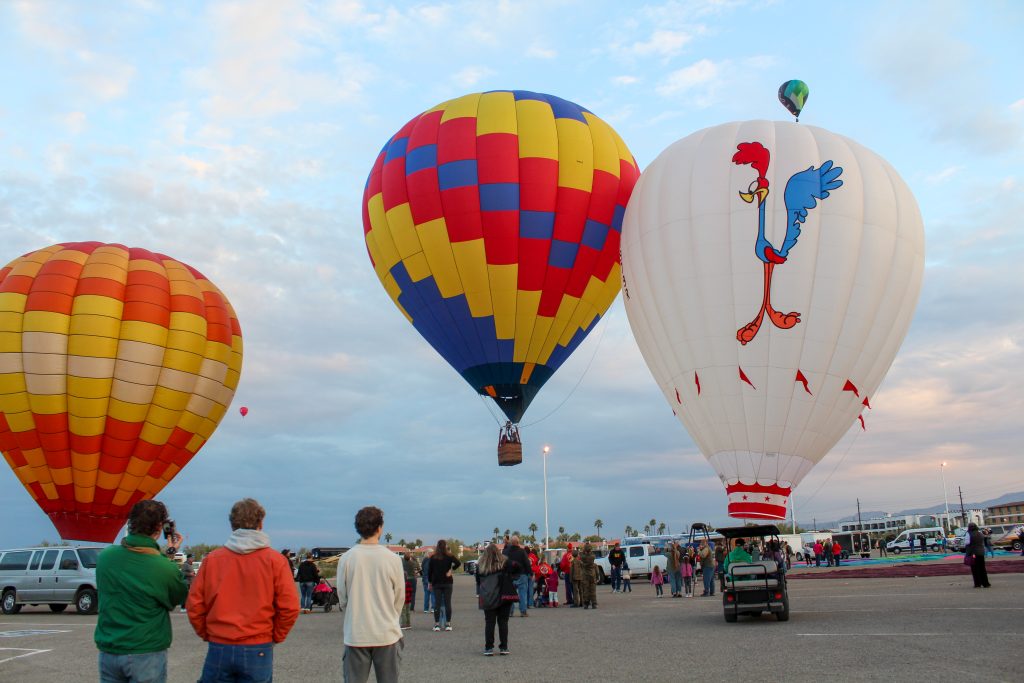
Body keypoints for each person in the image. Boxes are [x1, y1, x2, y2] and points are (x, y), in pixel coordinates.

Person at [186, 498, 299, 683]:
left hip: (220, 644)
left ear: (232, 525)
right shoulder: (275, 561)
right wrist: (275, 636)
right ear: (261, 523)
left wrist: (207, 632)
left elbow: (195, 604)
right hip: (258, 645)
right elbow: (289, 607)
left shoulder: (213, 560)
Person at [95, 499, 187, 683]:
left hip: (110, 651)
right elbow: (179, 594)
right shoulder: (163, 567)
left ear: (131, 522)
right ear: (160, 527)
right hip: (146, 651)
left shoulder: (105, 558)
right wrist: (170, 553)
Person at [336, 506, 405, 683]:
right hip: (386, 633)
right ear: (380, 528)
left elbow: (342, 596)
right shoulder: (393, 559)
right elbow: (399, 597)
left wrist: (353, 613)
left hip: (356, 633)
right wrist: (390, 616)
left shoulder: (347, 558)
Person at [475, 543, 514, 656]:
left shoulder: (481, 566)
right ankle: (504, 647)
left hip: (488, 596)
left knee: (490, 622)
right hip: (503, 595)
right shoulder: (505, 564)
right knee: (503, 622)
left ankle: (488, 647)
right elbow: (515, 571)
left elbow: (478, 581)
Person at [428, 539, 461, 631]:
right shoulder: (449, 556)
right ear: (445, 546)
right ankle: (448, 624)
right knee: (447, 603)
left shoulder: (433, 557)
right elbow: (458, 563)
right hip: (448, 582)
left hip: (436, 583)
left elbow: (429, 571)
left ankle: (437, 624)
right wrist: (451, 570)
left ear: (437, 546)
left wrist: (430, 582)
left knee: (437, 604)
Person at [501, 536, 531, 617]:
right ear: (518, 543)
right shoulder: (522, 552)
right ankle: (523, 611)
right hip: (522, 575)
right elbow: (527, 563)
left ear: (511, 542)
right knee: (523, 594)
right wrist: (530, 573)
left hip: (509, 576)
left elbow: (502, 564)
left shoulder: (505, 552)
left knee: (510, 594)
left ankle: (510, 612)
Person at [965, 522, 991, 589]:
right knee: (982, 568)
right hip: (981, 552)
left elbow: (967, 542)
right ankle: (986, 583)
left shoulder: (968, 534)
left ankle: (977, 584)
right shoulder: (980, 533)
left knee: (975, 569)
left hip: (973, 553)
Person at [400, 551, 417, 630]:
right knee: (412, 593)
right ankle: (412, 607)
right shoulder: (412, 563)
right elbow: (417, 567)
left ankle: (403, 623)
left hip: (405, 580)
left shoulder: (402, 563)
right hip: (413, 579)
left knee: (403, 607)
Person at [578, 542, 598, 609]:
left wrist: (584, 551)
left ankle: (586, 604)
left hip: (585, 575)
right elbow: (592, 555)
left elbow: (581, 556)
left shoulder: (583, 557)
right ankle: (594, 604)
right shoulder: (592, 556)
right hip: (592, 574)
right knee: (593, 590)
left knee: (586, 590)